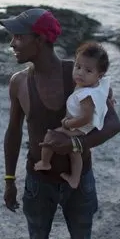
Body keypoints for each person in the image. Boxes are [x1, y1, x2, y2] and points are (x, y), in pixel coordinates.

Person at [1, 8, 120, 239]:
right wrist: (9, 180)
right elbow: (13, 132)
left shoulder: (81, 72)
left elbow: (113, 125)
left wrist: (74, 144)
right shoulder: (18, 82)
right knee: (37, 237)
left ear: (39, 40)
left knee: (82, 236)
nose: (12, 43)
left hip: (79, 177)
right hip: (38, 177)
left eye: (18, 36)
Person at [33, 41, 111, 189]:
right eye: (78, 66)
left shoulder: (87, 95)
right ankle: (74, 179)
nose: (80, 73)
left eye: (88, 71)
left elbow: (85, 117)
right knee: (75, 153)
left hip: (79, 126)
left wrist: (69, 124)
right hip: (82, 126)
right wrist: (110, 97)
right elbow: (106, 88)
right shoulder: (95, 85)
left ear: (99, 75)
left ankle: (45, 163)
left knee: (50, 136)